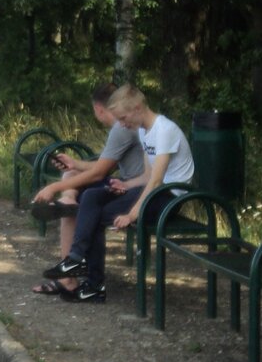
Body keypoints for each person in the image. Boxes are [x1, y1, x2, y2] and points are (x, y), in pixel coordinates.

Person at [41, 84, 194, 303]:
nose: (121, 124)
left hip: (170, 197)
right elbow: (145, 177)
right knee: (92, 197)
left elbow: (157, 180)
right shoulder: (143, 131)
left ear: (137, 108)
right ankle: (75, 258)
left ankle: (94, 285)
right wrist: (124, 185)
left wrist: (132, 214)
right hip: (153, 190)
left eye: (123, 118)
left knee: (95, 215)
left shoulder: (165, 130)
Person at [30, 83, 144, 296]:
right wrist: (75, 164)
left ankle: (69, 277)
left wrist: (54, 187)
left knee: (87, 200)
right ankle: (69, 201)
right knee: (72, 177)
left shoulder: (123, 129)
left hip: (136, 190)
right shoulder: (125, 127)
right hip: (128, 183)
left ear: (99, 109)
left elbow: (99, 173)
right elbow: (106, 165)